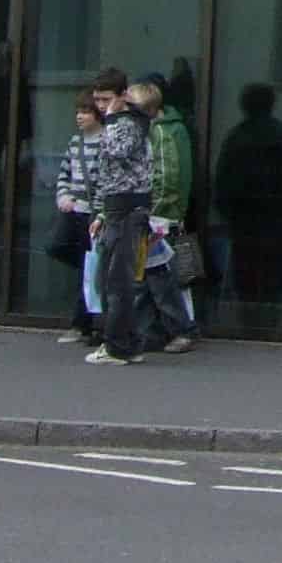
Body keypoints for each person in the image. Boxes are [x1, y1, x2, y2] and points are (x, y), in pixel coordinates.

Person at [215, 83, 282, 318]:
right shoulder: (280, 135)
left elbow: (224, 177)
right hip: (275, 214)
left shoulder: (237, 136)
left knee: (245, 270)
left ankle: (247, 317)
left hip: (244, 216)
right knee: (272, 272)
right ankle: (269, 318)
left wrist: (225, 210)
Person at [83, 70, 155, 364]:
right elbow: (106, 172)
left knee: (117, 282)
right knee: (110, 279)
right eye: (98, 100)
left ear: (123, 95)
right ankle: (129, 343)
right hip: (116, 207)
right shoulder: (119, 123)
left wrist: (112, 118)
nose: (101, 106)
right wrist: (101, 212)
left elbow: (117, 152)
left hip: (129, 208)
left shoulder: (129, 123)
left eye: (106, 99)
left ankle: (116, 346)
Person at [131, 73, 200, 351]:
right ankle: (148, 332)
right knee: (146, 278)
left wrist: (149, 213)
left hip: (158, 218)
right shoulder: (161, 130)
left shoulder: (160, 133)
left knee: (159, 279)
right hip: (155, 215)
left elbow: (166, 178)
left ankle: (181, 329)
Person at [50, 90, 105, 340]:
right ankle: (83, 323)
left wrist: (100, 211)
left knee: (90, 268)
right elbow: (64, 174)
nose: (79, 117)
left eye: (85, 112)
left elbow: (106, 180)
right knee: (57, 246)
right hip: (74, 210)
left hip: (93, 213)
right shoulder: (76, 142)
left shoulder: (105, 142)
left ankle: (81, 324)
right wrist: (63, 196)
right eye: (78, 112)